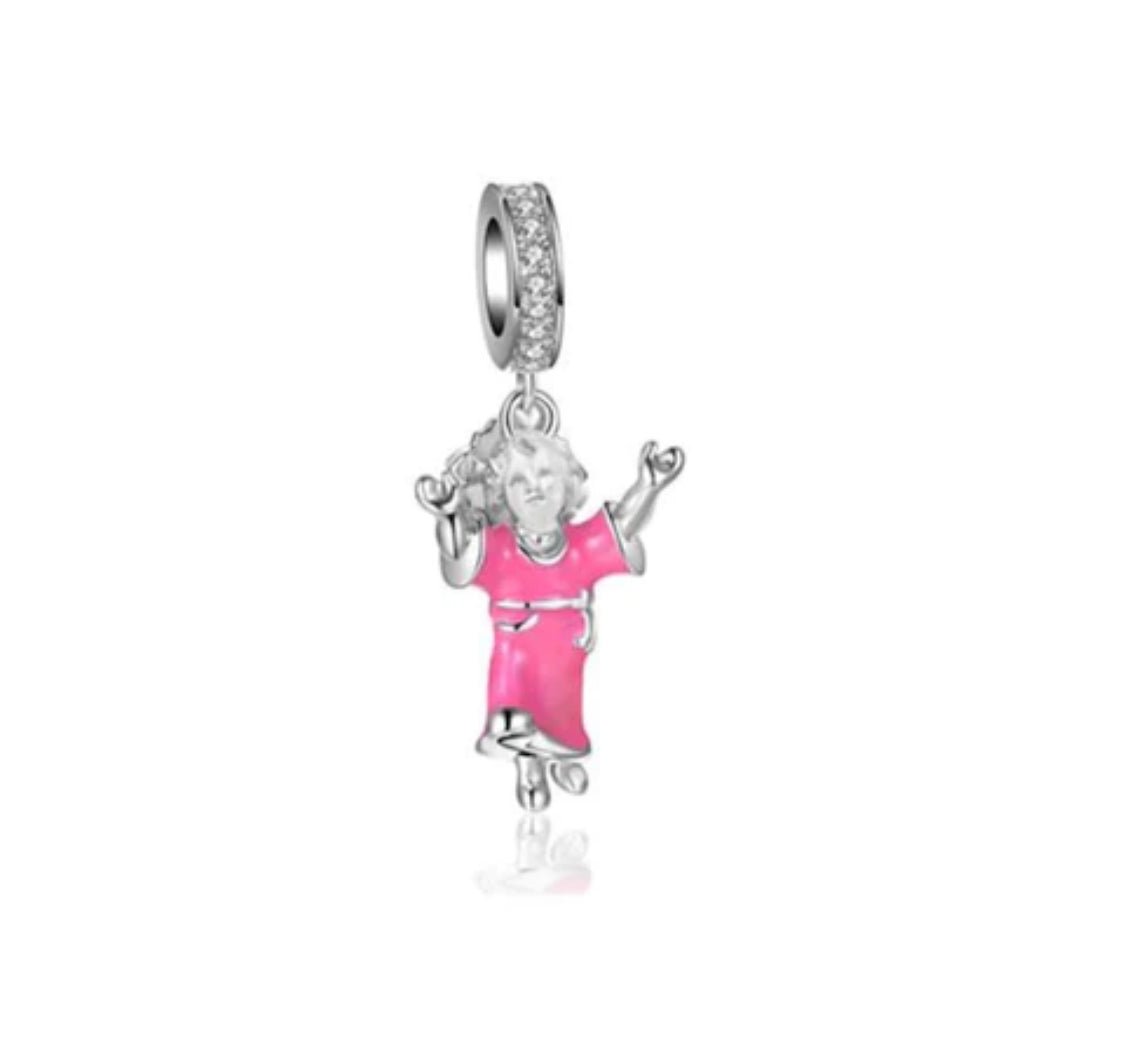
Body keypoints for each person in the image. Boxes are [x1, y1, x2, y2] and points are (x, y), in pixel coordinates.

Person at [416, 419, 683, 810]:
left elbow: (624, 525)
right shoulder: (499, 549)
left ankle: (560, 759)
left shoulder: (580, 546)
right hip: (515, 664)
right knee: (510, 721)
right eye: (517, 481)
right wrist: (449, 515)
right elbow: (459, 552)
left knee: (561, 720)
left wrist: (650, 485)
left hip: (564, 662)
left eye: (546, 475)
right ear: (502, 496)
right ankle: (529, 767)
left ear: (569, 484)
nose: (534, 488)